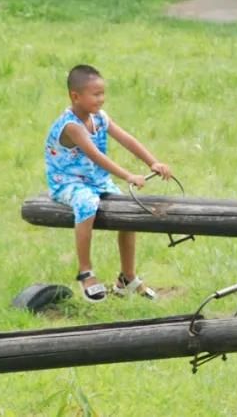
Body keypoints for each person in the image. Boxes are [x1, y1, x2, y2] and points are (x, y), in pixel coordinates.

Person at [45, 64, 174, 301]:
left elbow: (127, 139)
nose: (101, 99)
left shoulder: (100, 118)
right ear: (76, 96)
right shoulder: (72, 126)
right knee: (87, 203)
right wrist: (128, 176)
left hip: (95, 180)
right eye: (96, 94)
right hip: (68, 182)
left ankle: (127, 277)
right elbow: (96, 155)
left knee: (128, 208)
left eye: (103, 93)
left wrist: (152, 163)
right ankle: (85, 272)